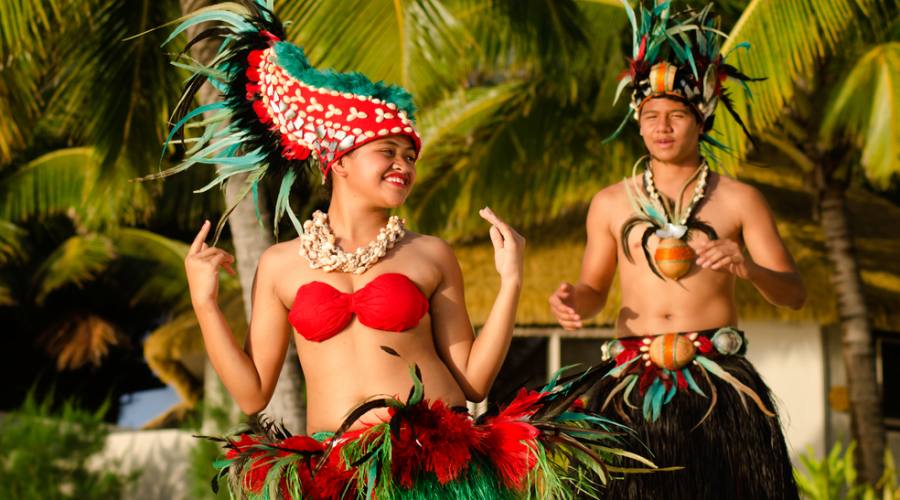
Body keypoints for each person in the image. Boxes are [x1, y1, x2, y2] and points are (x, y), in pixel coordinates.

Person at [154, 1, 650, 498]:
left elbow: (473, 382)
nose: (404, 166)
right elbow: (252, 392)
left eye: (410, 155)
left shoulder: (430, 254)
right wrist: (205, 301)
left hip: (437, 466)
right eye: (386, 152)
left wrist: (511, 281)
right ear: (338, 161)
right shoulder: (280, 264)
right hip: (338, 470)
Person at [548, 3, 806, 499]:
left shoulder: (740, 199)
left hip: (717, 385)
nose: (662, 127)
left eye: (676, 115)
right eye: (651, 117)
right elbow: (594, 291)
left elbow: (793, 294)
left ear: (701, 119)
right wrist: (571, 302)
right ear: (637, 122)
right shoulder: (608, 202)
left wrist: (747, 267)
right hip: (629, 383)